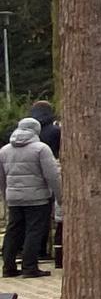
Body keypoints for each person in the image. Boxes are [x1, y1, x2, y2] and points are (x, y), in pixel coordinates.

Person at [0, 116, 59, 278]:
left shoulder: (4, 150)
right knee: (34, 231)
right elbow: (52, 175)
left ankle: (8, 267)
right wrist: (59, 196)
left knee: (13, 231)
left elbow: (1, 178)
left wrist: (6, 195)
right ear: (37, 130)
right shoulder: (41, 149)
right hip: (37, 197)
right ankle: (29, 267)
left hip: (13, 198)